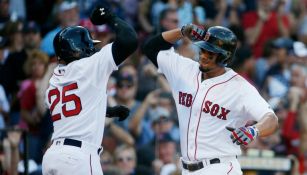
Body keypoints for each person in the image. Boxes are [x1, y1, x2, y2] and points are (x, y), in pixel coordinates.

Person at [143, 24, 279, 174]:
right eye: (203, 50)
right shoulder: (184, 69)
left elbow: (271, 119)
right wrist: (181, 32)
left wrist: (254, 130)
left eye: (211, 53)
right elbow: (150, 47)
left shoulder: (240, 88)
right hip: (187, 169)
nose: (203, 56)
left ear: (225, 56)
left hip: (220, 167)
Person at [42, 5, 138, 175]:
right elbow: (129, 40)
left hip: (52, 157)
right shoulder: (89, 66)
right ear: (79, 48)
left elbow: (74, 111)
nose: (92, 49)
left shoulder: (54, 79)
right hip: (78, 158)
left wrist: (106, 111)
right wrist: (110, 18)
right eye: (89, 46)